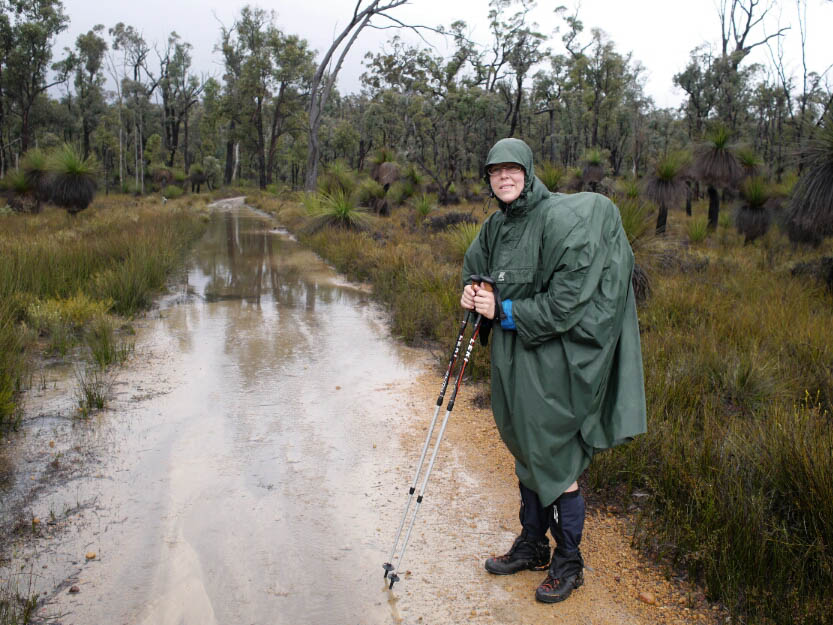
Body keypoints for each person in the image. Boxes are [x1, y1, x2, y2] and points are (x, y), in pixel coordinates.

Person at [460, 138, 647, 604]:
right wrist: (472, 291)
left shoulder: (558, 219)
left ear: (527, 173)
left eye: (512, 170)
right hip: (513, 359)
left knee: (556, 456)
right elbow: (475, 266)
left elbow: (564, 305)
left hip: (553, 361)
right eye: (495, 171)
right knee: (525, 448)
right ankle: (532, 546)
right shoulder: (496, 226)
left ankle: (569, 561)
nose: (504, 178)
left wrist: (501, 310)